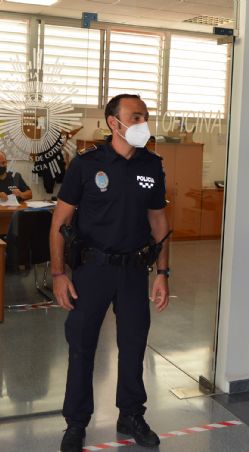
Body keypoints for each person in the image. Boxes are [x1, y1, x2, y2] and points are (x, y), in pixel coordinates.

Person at [50, 94, 170, 452]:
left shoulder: (152, 164)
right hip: (93, 269)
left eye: (145, 116)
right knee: (82, 346)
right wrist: (58, 274)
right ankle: (76, 421)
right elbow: (60, 221)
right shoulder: (86, 165)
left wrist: (163, 272)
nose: (142, 123)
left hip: (134, 270)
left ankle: (131, 413)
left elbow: (159, 219)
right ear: (112, 122)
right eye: (135, 117)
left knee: (133, 346)